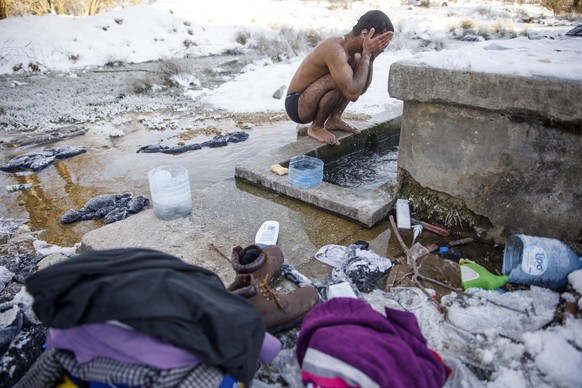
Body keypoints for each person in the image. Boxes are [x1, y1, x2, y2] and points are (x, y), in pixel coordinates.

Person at [285, 10, 394, 145]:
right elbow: (352, 93)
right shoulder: (335, 49)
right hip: (297, 104)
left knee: (351, 79)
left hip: (313, 100)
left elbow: (362, 88)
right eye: (379, 40)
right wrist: (367, 54)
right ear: (365, 34)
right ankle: (316, 127)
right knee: (344, 81)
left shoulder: (356, 55)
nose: (381, 48)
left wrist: (371, 57)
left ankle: (334, 119)